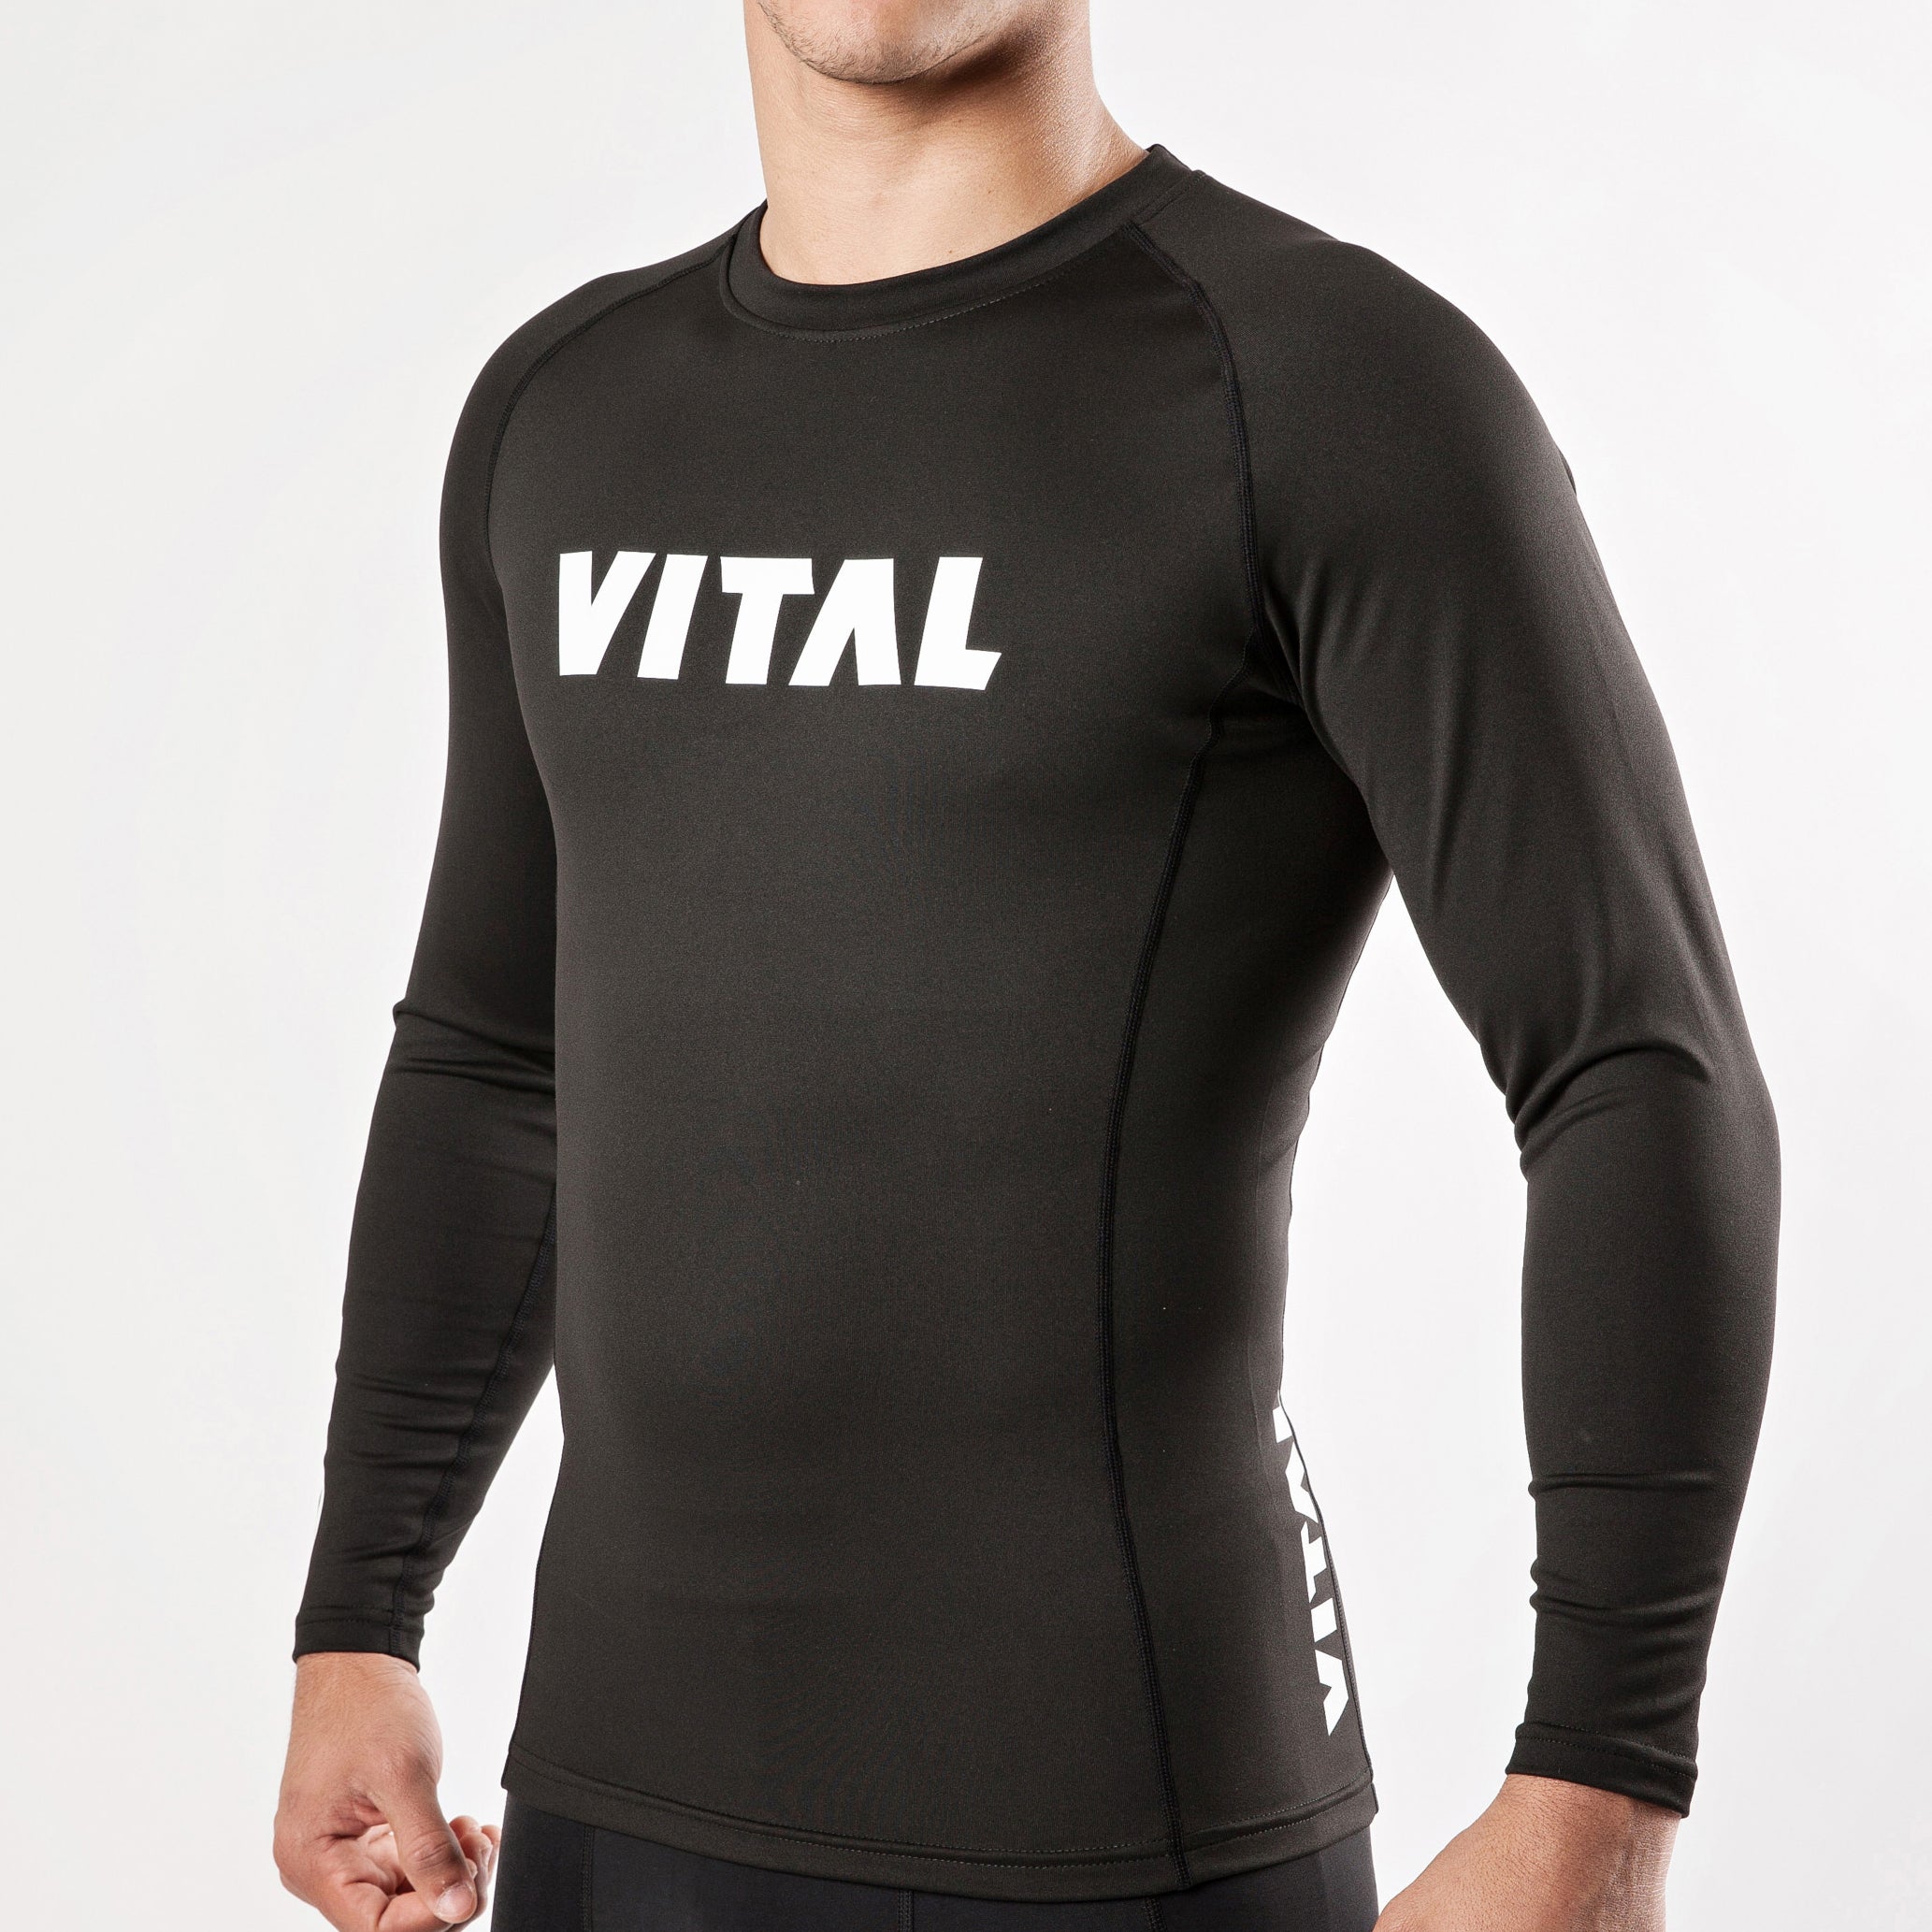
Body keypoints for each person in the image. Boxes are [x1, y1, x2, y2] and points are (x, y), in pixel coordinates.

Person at [272, 3, 1780, 1928]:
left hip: (1133, 1826)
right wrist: (360, 1613)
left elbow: (1633, 1064)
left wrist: (1599, 1793)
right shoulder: (560, 411)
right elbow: (496, 1056)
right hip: (612, 1814)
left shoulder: (1325, 387)